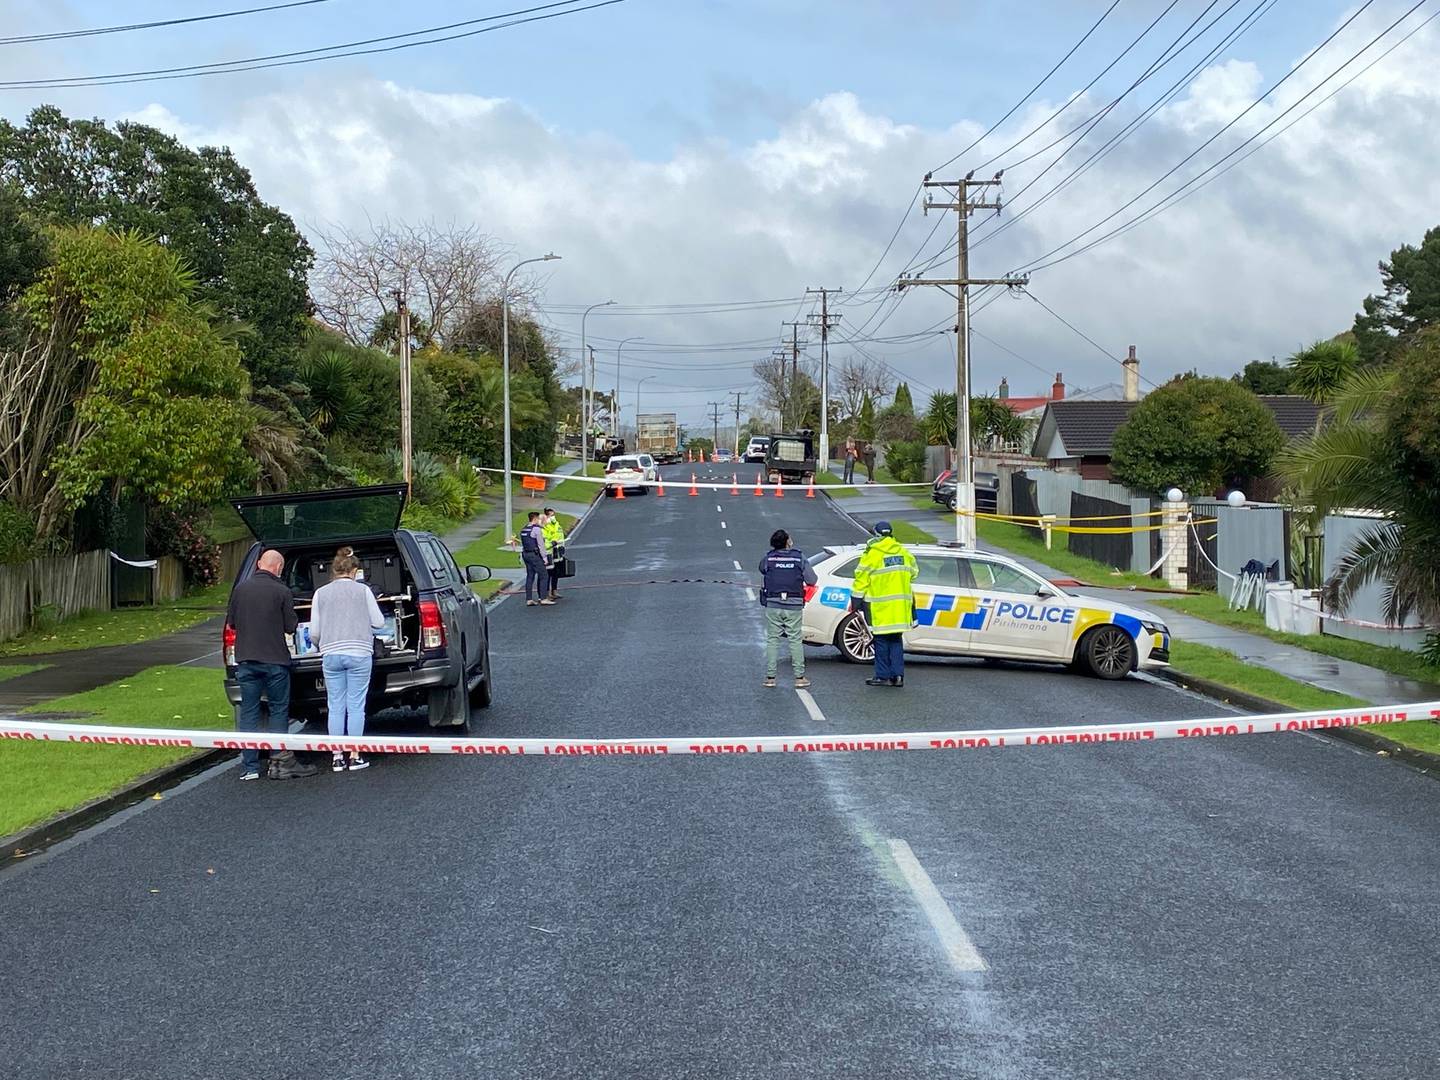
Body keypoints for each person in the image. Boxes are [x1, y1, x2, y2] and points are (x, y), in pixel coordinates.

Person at [225, 549, 317, 781]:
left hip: (246, 660)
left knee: (249, 712)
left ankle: (250, 767)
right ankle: (279, 759)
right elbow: (290, 626)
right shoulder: (282, 590)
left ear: (258, 564)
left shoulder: (240, 589)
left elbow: (233, 623)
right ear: (279, 568)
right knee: (278, 710)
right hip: (275, 661)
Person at [312, 548, 385, 773]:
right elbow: (379, 622)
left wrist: (319, 645)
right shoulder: (363, 591)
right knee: (356, 706)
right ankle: (354, 755)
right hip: (359, 652)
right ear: (354, 570)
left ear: (334, 570)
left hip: (331, 653)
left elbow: (314, 631)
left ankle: (336, 757)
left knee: (335, 705)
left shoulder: (320, 593)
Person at [850, 521, 917, 687]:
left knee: (881, 641)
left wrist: (855, 601)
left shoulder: (872, 554)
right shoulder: (904, 552)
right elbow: (914, 573)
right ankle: (898, 676)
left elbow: (861, 580)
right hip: (901, 607)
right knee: (895, 641)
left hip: (880, 607)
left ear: (876, 535)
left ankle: (882, 676)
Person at [758, 528, 817, 689]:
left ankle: (770, 678)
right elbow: (812, 580)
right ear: (787, 541)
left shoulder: (769, 558)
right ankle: (799, 677)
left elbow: (762, 569)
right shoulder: (799, 558)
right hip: (794, 603)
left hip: (773, 603)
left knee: (772, 640)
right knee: (795, 639)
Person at [519, 511, 553, 607]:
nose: (539, 521)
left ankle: (529, 599)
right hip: (535, 555)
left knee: (530, 576)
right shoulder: (536, 530)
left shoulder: (524, 529)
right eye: (538, 519)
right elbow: (541, 545)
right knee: (544, 575)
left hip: (526, 554)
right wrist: (545, 558)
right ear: (535, 519)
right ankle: (543, 598)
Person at [542, 507, 567, 601]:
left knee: (556, 572)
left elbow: (560, 534)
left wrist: (562, 546)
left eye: (553, 515)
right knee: (549, 572)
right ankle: (548, 593)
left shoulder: (556, 524)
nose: (553, 517)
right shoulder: (545, 525)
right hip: (550, 551)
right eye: (551, 515)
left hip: (558, 549)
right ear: (546, 515)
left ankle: (554, 590)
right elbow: (547, 537)